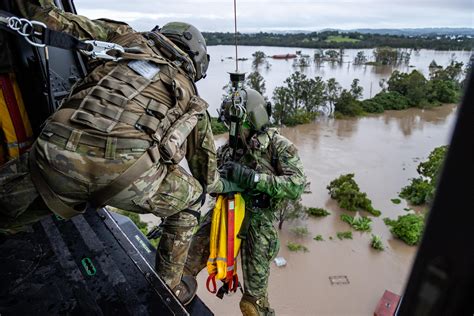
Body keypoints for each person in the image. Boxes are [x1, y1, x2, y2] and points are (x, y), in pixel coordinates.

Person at [2, 0, 221, 304]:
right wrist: (224, 183)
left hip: (55, 155)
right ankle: (168, 290)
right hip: (125, 179)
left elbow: (54, 20)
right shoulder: (192, 99)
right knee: (191, 201)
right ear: (196, 62)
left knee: (37, 182)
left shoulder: (125, 39)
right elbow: (207, 176)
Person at [183, 88, 306, 315]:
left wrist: (253, 178)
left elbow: (296, 185)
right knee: (183, 268)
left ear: (254, 119)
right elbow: (211, 182)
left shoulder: (278, 146)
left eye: (237, 125)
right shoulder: (228, 150)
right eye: (230, 124)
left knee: (252, 304)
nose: (234, 131)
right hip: (224, 214)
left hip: (259, 223)